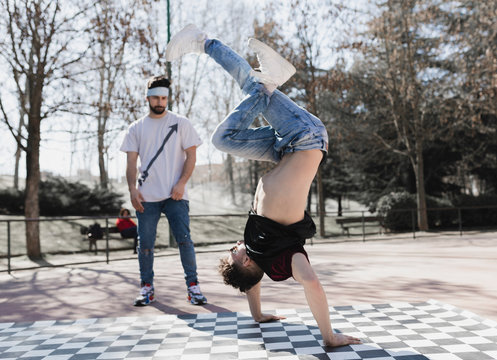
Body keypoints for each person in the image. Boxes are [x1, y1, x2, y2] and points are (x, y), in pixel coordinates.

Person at [166, 25, 361, 347]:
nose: (233, 247)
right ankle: (206, 44)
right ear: (245, 261)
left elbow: (250, 284)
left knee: (234, 123)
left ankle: (253, 72)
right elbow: (310, 282)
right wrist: (329, 336)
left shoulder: (256, 251)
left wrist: (257, 315)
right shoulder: (284, 258)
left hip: (281, 148)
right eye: (233, 254)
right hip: (305, 138)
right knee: (229, 125)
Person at [120, 74, 207, 306]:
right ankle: (146, 288)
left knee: (185, 241)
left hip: (175, 195)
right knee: (145, 244)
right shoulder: (136, 128)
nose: (160, 102)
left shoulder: (181, 123)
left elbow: (192, 156)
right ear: (147, 98)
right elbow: (130, 163)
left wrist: (182, 183)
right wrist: (132, 189)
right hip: (146, 197)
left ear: (167, 98)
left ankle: (193, 287)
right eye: (155, 98)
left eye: (163, 98)